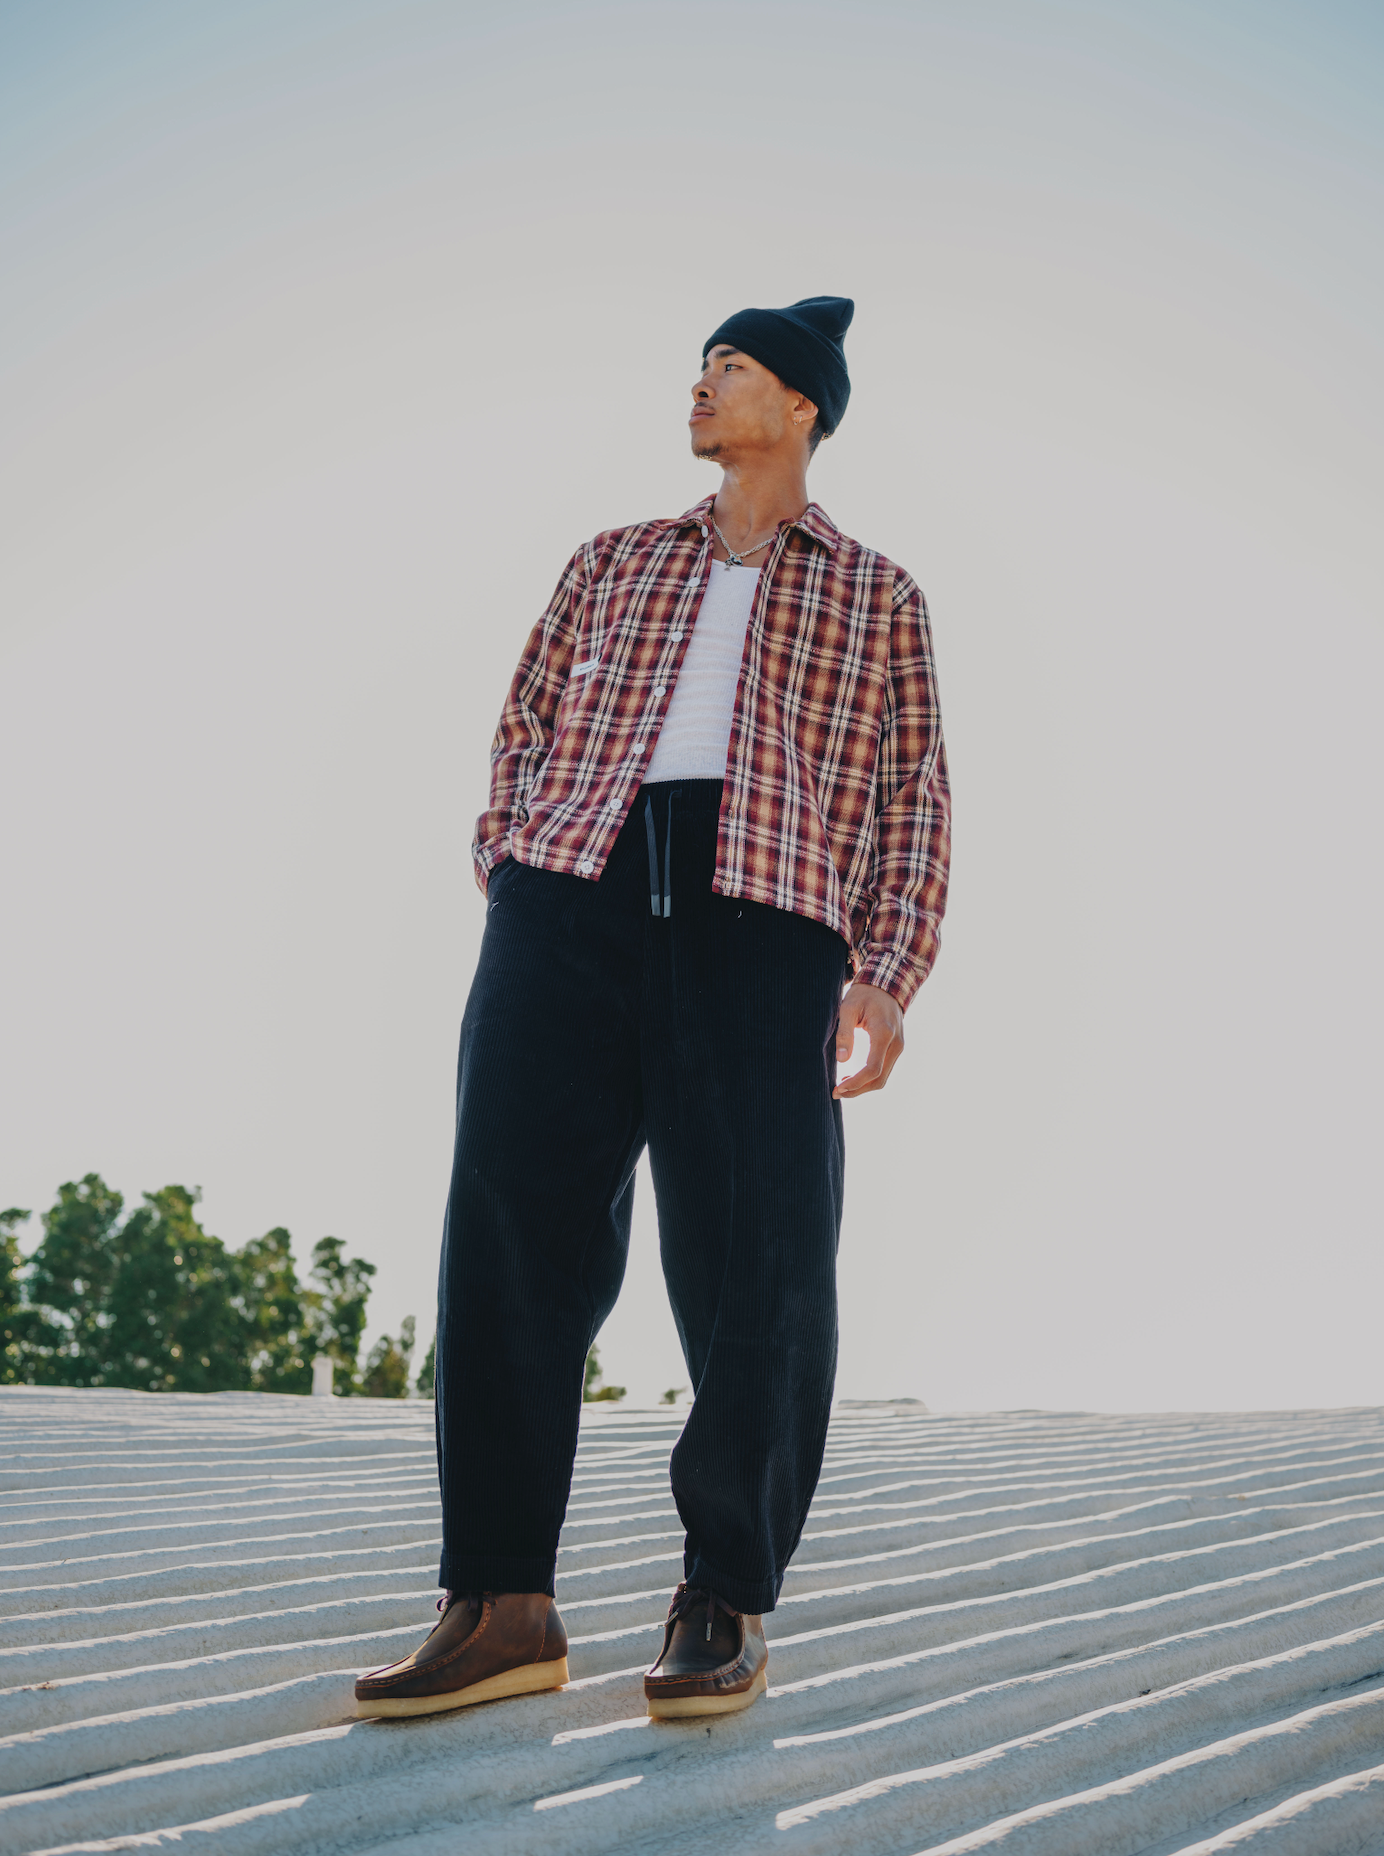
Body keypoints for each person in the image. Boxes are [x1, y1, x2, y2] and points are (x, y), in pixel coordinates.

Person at [355, 296, 951, 1722]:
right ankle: (500, 1602)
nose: (700, 384)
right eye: (701, 365)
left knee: (760, 1260)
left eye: (730, 367)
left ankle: (721, 1596)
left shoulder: (878, 592)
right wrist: (517, 866)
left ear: (802, 405)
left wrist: (886, 969)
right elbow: (525, 720)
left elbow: (912, 795)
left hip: (768, 915)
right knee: (509, 1227)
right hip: (572, 894)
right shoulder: (614, 558)